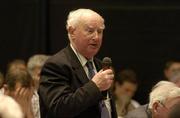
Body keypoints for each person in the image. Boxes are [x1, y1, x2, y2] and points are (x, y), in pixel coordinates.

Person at [38, 8, 117, 118]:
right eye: (90, 31)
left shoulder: (99, 65)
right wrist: (95, 86)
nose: (96, 37)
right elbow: (59, 108)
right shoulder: (56, 65)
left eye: (100, 31)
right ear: (72, 31)